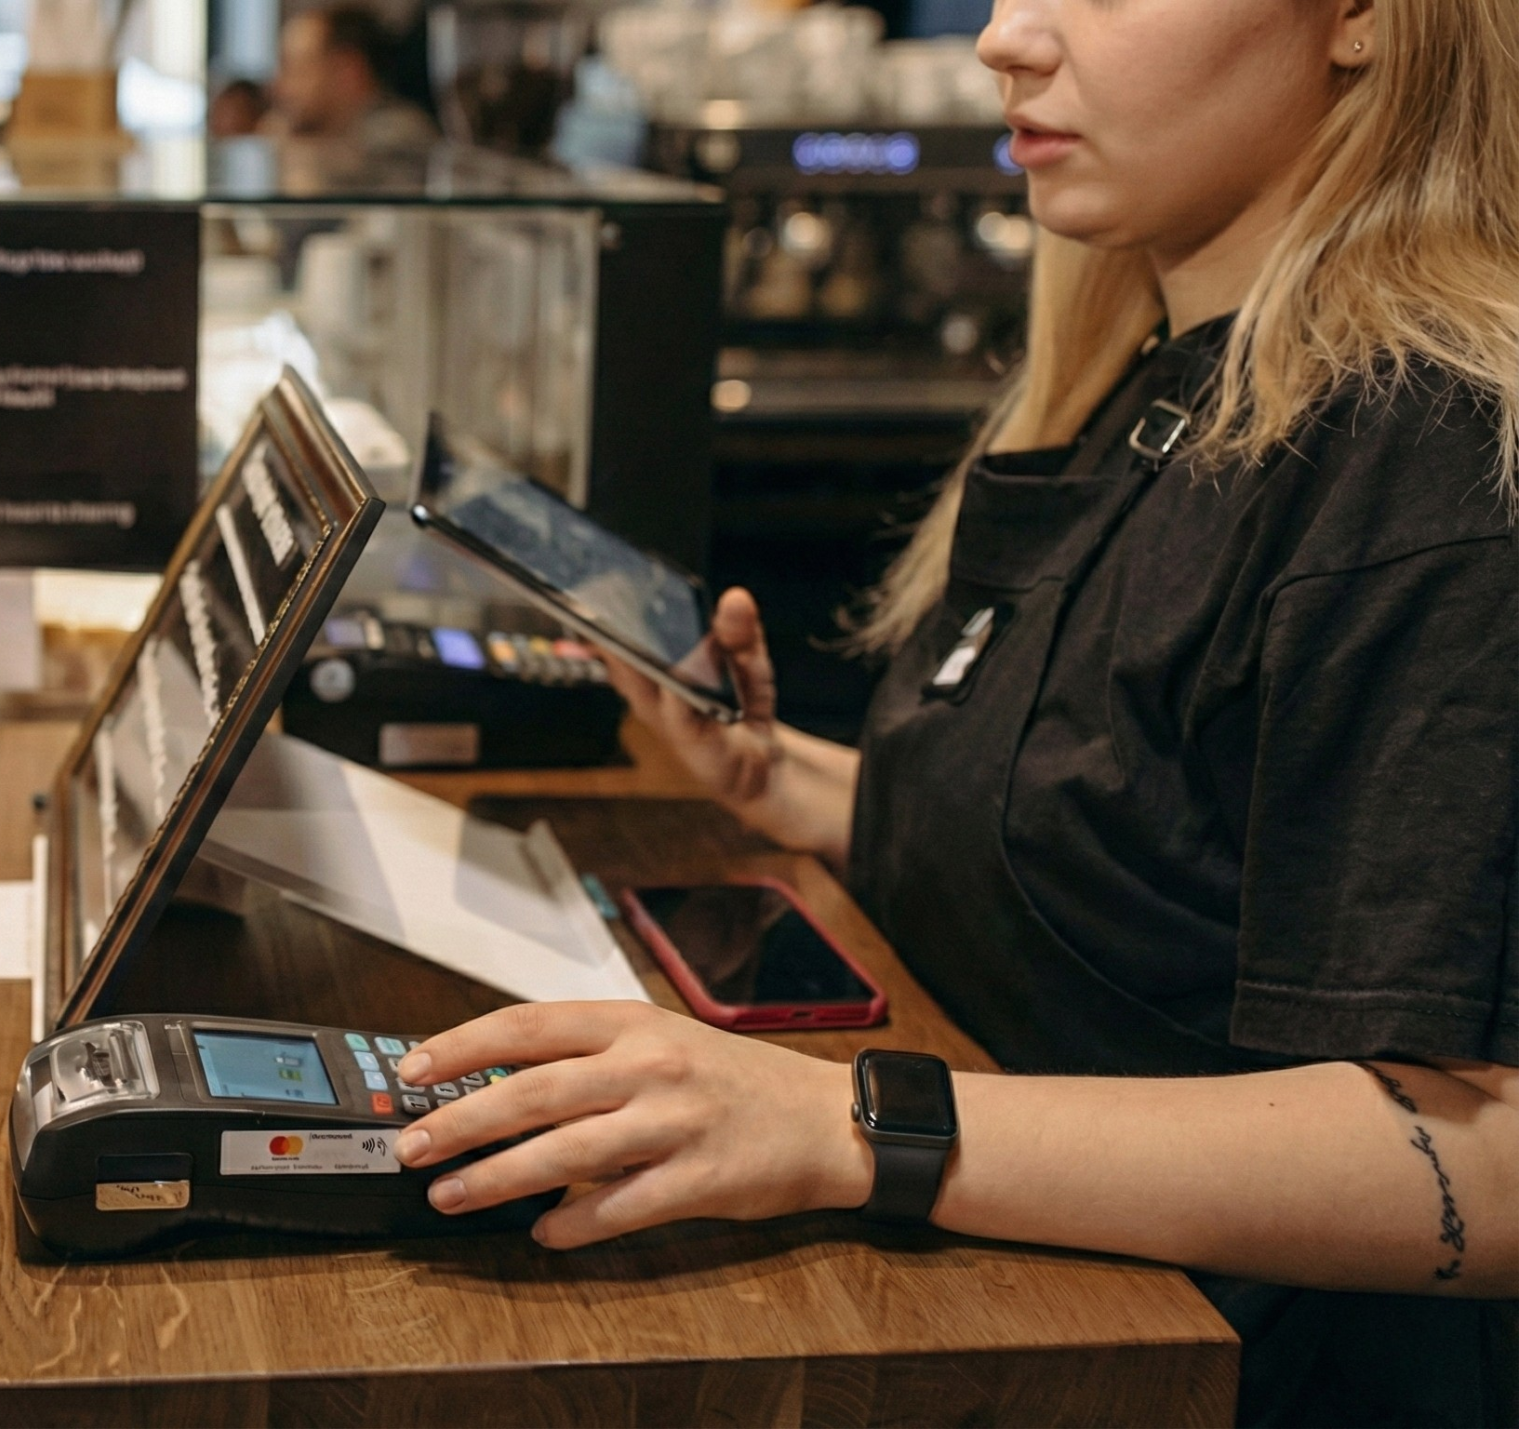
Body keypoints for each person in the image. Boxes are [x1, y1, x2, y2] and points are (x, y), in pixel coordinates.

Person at [389, 1, 1519, 1424]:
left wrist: (849, 1124)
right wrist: (784, 783)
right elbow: (1145, 860)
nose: (1004, 38)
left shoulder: (1431, 461)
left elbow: (1485, 1165)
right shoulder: (1145, 375)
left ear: (1362, 19)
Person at [266, 6, 436, 150]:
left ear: (348, 73)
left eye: (296, 70)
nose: (277, 87)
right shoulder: (323, 137)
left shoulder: (398, 137)